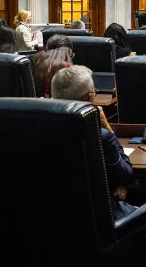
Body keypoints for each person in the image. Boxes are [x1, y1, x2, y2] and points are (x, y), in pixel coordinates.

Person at [51, 65, 135, 218]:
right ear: (88, 97)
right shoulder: (102, 136)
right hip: (100, 217)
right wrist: (106, 127)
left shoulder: (37, 129)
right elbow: (126, 173)